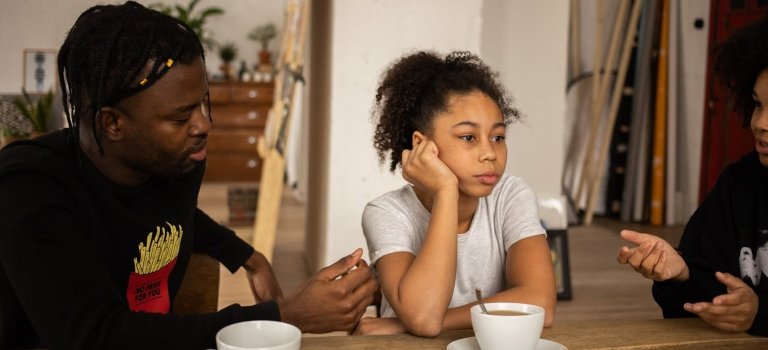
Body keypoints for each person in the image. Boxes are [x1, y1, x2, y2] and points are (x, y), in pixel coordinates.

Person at [0, 2, 377, 349]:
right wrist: (282, 315)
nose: (203, 124)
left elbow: (169, 215)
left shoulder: (176, 162)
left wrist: (248, 255)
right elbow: (95, 336)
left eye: (202, 103)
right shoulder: (29, 188)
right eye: (181, 117)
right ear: (113, 123)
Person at [356, 51, 556, 336]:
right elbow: (424, 318)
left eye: (498, 137)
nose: (489, 153)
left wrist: (404, 324)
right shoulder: (386, 213)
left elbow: (540, 303)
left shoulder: (511, 195)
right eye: (468, 137)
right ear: (422, 145)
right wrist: (445, 191)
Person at [617, 15, 768, 337]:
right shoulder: (738, 184)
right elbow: (698, 301)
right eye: (758, 105)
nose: (760, 123)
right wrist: (680, 272)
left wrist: (760, 313)